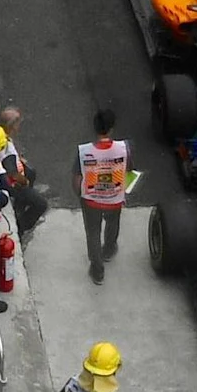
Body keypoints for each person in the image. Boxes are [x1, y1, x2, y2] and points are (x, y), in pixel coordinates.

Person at [70, 113, 133, 281]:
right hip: (115, 198)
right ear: (111, 129)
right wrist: (123, 192)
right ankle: (109, 249)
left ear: (95, 128)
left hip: (91, 200)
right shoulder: (124, 148)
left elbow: (77, 179)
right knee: (113, 223)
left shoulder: (83, 151)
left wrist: (80, 195)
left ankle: (97, 270)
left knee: (93, 232)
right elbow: (129, 171)